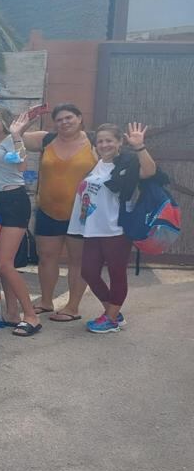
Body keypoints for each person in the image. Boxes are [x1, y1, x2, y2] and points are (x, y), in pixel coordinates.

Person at [68, 123, 156, 333]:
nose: (104, 144)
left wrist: (140, 147)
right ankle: (113, 313)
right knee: (89, 272)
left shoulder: (128, 163)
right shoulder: (97, 165)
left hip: (116, 229)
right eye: (100, 141)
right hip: (92, 229)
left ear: (119, 142)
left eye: (109, 140)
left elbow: (150, 171)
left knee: (117, 274)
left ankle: (110, 318)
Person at [19, 103, 98, 322]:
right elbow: (16, 136)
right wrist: (30, 118)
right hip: (47, 210)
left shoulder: (93, 141)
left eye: (69, 118)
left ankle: (72, 307)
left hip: (81, 213)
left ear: (80, 118)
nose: (64, 122)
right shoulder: (46, 139)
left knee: (77, 261)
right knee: (46, 258)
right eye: (60, 119)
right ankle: (46, 301)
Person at [0, 106, 42, 335]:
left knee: (4, 263)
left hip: (15, 202)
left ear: (5, 122)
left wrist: (17, 136)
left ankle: (31, 316)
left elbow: (22, 165)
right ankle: (11, 313)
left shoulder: (11, 140)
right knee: (2, 264)